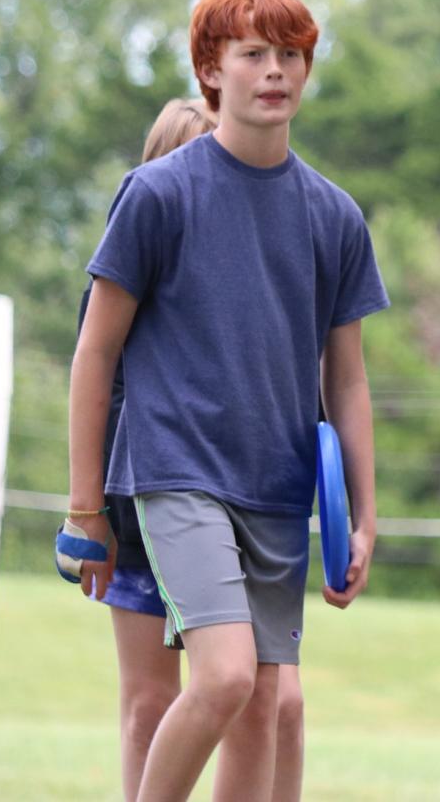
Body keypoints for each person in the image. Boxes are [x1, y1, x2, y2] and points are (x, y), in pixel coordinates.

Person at [67, 0, 387, 802]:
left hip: (278, 489)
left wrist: (362, 512)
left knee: (262, 704)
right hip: (177, 475)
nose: (275, 71)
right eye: (253, 54)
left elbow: (345, 380)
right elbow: (95, 354)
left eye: (291, 55)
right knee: (221, 679)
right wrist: (83, 507)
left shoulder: (334, 217)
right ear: (212, 70)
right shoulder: (157, 195)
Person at [67, 98, 308, 802]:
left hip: (252, 504)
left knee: (276, 704)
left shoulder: (270, 261)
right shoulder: (135, 253)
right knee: (151, 703)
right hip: (146, 506)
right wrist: (90, 514)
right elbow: (99, 384)